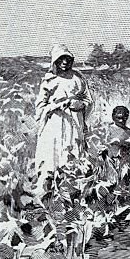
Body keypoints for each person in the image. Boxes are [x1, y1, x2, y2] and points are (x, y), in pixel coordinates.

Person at [34, 44, 93, 194]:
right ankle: (49, 191)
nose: (65, 62)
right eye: (61, 59)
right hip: (54, 124)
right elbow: (41, 105)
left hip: (74, 122)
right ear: (55, 61)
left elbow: (88, 101)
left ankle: (70, 191)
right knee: (52, 155)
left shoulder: (78, 78)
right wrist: (53, 107)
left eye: (67, 59)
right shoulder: (49, 80)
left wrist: (75, 103)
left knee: (72, 153)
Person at [103, 105, 130, 183]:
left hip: (123, 158)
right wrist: (111, 143)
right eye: (119, 118)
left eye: (124, 118)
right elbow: (104, 141)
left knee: (123, 175)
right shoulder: (109, 128)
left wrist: (122, 143)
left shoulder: (127, 131)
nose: (121, 121)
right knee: (111, 178)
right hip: (111, 158)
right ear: (113, 117)